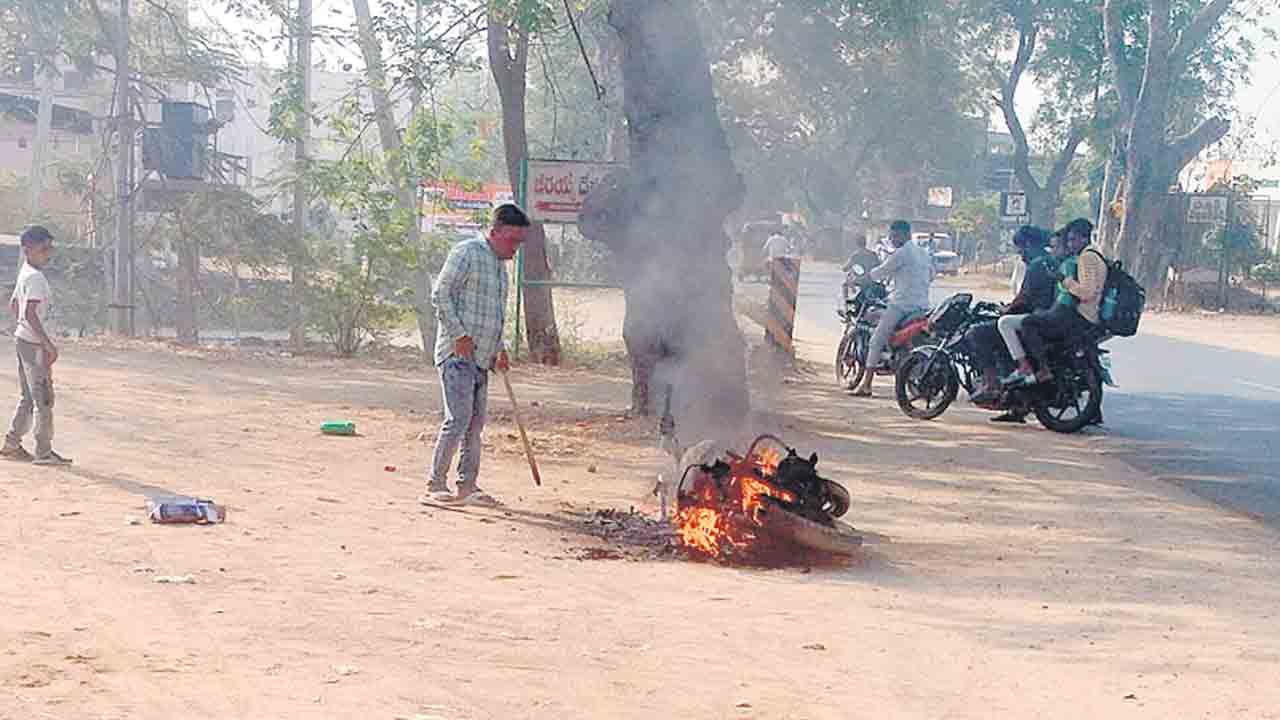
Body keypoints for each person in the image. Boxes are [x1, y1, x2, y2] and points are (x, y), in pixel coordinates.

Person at [421, 204, 529, 507]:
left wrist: (499, 349)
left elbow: (492, 316)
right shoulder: (466, 252)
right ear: (495, 233)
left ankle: (467, 486)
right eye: (512, 241)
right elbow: (440, 295)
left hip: (482, 359)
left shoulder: (500, 270)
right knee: (458, 419)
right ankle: (434, 484)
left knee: (474, 424)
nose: (515, 248)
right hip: (456, 355)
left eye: (520, 242)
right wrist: (460, 335)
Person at [1005, 218, 1105, 386]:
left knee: (1029, 324)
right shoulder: (1089, 255)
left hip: (1081, 315)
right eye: (1068, 241)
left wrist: (1064, 280)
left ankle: (1043, 369)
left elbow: (1087, 293)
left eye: (1073, 240)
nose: (1070, 245)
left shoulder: (1087, 258)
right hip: (1082, 314)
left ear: (1084, 238)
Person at [967, 225, 1057, 412]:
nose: (1021, 254)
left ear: (1030, 245)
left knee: (977, 333)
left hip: (1033, 316)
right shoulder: (1052, 261)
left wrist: (1006, 309)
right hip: (1046, 315)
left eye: (1021, 248)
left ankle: (990, 383)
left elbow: (1024, 296)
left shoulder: (1037, 265)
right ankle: (1016, 404)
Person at [2, 225, 71, 465]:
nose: (48, 253)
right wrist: (46, 344)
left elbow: (14, 305)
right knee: (43, 399)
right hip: (32, 344)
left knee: (29, 397)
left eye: (50, 248)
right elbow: (30, 312)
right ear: (29, 249)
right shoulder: (35, 277)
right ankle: (43, 452)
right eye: (44, 248)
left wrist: (22, 328)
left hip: (23, 340)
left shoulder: (25, 272)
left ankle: (12, 444)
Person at [851, 220, 932, 397]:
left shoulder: (901, 253)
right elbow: (929, 276)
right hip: (923, 305)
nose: (891, 239)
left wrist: (860, 279)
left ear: (903, 234)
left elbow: (880, 272)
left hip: (902, 305)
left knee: (876, 339)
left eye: (893, 235)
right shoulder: (923, 253)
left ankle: (866, 384)